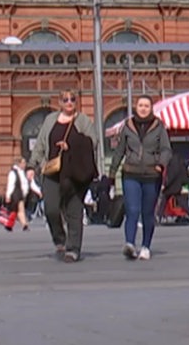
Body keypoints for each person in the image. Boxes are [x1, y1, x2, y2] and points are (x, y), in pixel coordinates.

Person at [29, 89, 101, 263]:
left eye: (72, 99)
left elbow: (93, 141)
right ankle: (60, 238)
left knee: (74, 211)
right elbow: (40, 144)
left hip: (75, 173)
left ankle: (73, 249)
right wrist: (32, 166)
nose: (69, 102)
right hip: (52, 171)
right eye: (65, 99)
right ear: (59, 102)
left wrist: (71, 144)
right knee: (51, 209)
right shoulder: (50, 120)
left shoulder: (82, 120)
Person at [115, 95, 170, 261]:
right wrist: (111, 173)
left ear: (151, 108)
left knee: (147, 213)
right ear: (136, 107)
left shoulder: (159, 126)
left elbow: (166, 149)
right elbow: (120, 150)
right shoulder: (128, 125)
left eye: (146, 105)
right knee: (132, 210)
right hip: (130, 173)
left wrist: (160, 164)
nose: (143, 108)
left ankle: (146, 246)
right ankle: (130, 244)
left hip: (152, 175)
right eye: (140, 105)